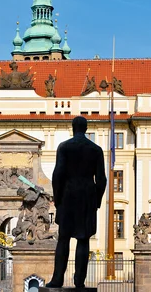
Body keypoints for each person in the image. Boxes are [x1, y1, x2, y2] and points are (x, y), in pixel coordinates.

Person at [45, 116, 107, 288]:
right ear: (86, 129)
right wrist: (97, 200)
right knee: (84, 239)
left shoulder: (64, 147)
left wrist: (57, 199)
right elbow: (102, 179)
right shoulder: (96, 150)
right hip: (87, 196)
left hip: (68, 195)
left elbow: (57, 175)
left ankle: (57, 279)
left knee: (63, 238)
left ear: (73, 128)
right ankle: (80, 281)